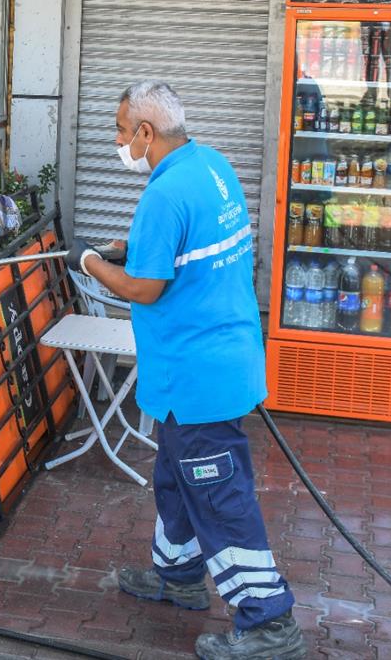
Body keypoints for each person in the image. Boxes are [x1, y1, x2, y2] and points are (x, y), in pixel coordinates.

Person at [65, 81, 305, 660]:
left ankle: (270, 622)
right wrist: (134, 244)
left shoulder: (164, 194)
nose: (119, 142)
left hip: (199, 376)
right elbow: (182, 247)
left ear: (146, 132)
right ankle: (179, 576)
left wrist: (91, 261)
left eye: (122, 132)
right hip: (215, 361)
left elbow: (145, 289)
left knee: (219, 496)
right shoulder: (212, 166)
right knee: (175, 479)